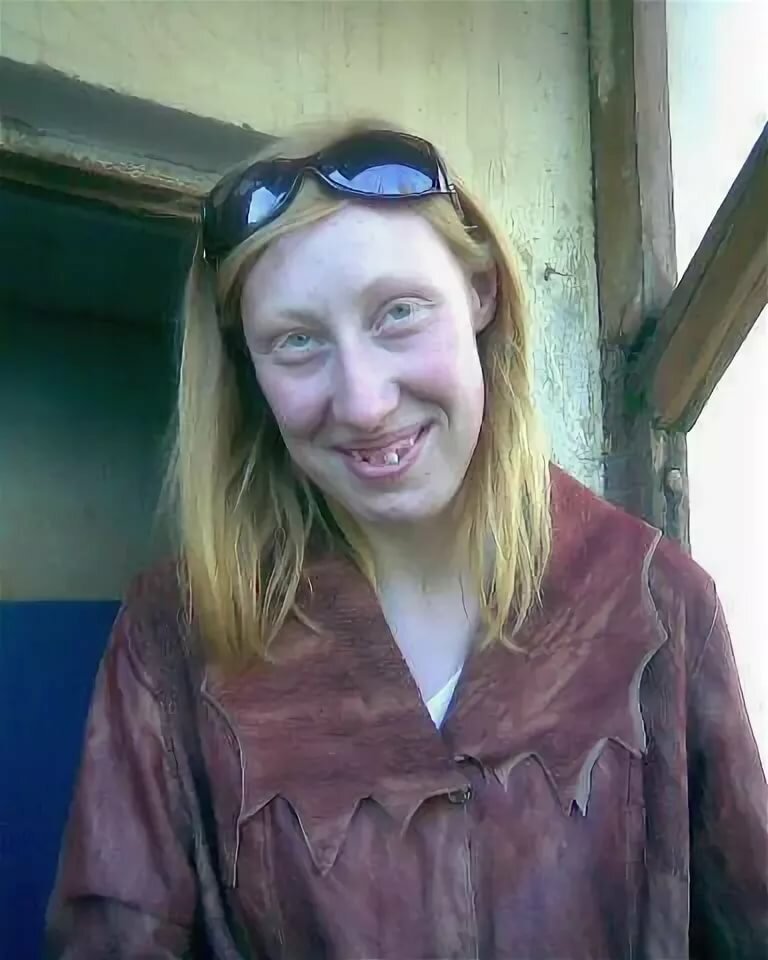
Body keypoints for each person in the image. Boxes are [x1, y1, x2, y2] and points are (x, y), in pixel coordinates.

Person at [47, 120, 767, 959]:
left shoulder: (658, 603)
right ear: (249, 368)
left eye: (398, 313)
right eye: (296, 341)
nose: (363, 402)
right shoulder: (173, 635)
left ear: (481, 293)